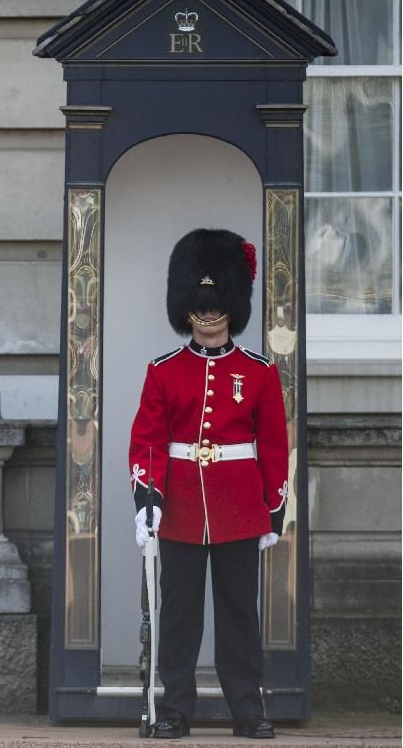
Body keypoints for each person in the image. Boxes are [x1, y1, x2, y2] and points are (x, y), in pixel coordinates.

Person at [128, 228, 288, 739]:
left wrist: (273, 507)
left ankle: (248, 708)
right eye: (201, 304)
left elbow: (275, 445)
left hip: (239, 505)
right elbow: (148, 441)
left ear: (231, 307)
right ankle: (176, 709)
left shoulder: (259, 372)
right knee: (179, 615)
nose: (210, 314)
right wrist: (147, 496)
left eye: (218, 304)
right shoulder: (163, 372)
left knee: (239, 614)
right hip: (178, 508)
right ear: (187, 308)